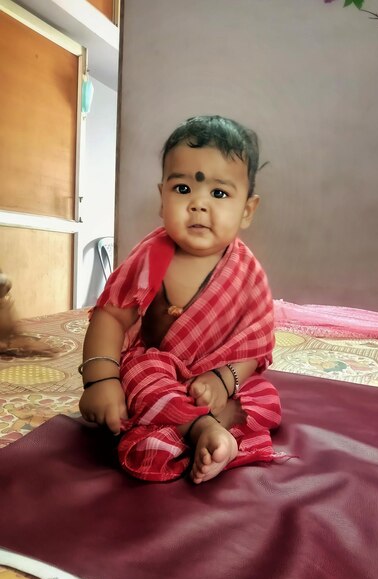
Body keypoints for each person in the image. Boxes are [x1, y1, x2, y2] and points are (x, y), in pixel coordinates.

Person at [79, 115, 282, 484]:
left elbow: (255, 344)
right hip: (158, 371)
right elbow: (110, 317)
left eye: (219, 194)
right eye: (183, 189)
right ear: (162, 198)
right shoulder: (149, 257)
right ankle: (203, 429)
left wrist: (224, 380)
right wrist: (100, 381)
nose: (198, 205)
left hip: (213, 378)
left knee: (265, 397)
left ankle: (184, 430)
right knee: (138, 372)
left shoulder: (247, 273)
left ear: (247, 210)